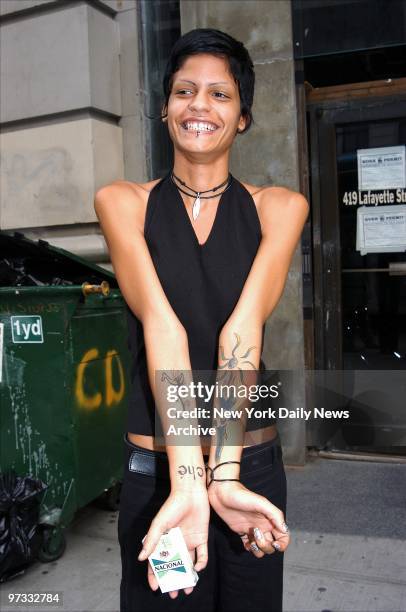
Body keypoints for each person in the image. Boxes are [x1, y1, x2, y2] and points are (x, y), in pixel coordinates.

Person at [94, 28, 309, 612]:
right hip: (161, 472)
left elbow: (241, 335)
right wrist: (190, 481)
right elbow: (164, 326)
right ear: (165, 107)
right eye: (185, 91)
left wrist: (226, 476)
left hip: (250, 469)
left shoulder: (280, 208)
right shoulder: (124, 202)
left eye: (221, 94)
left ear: (241, 117)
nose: (200, 106)